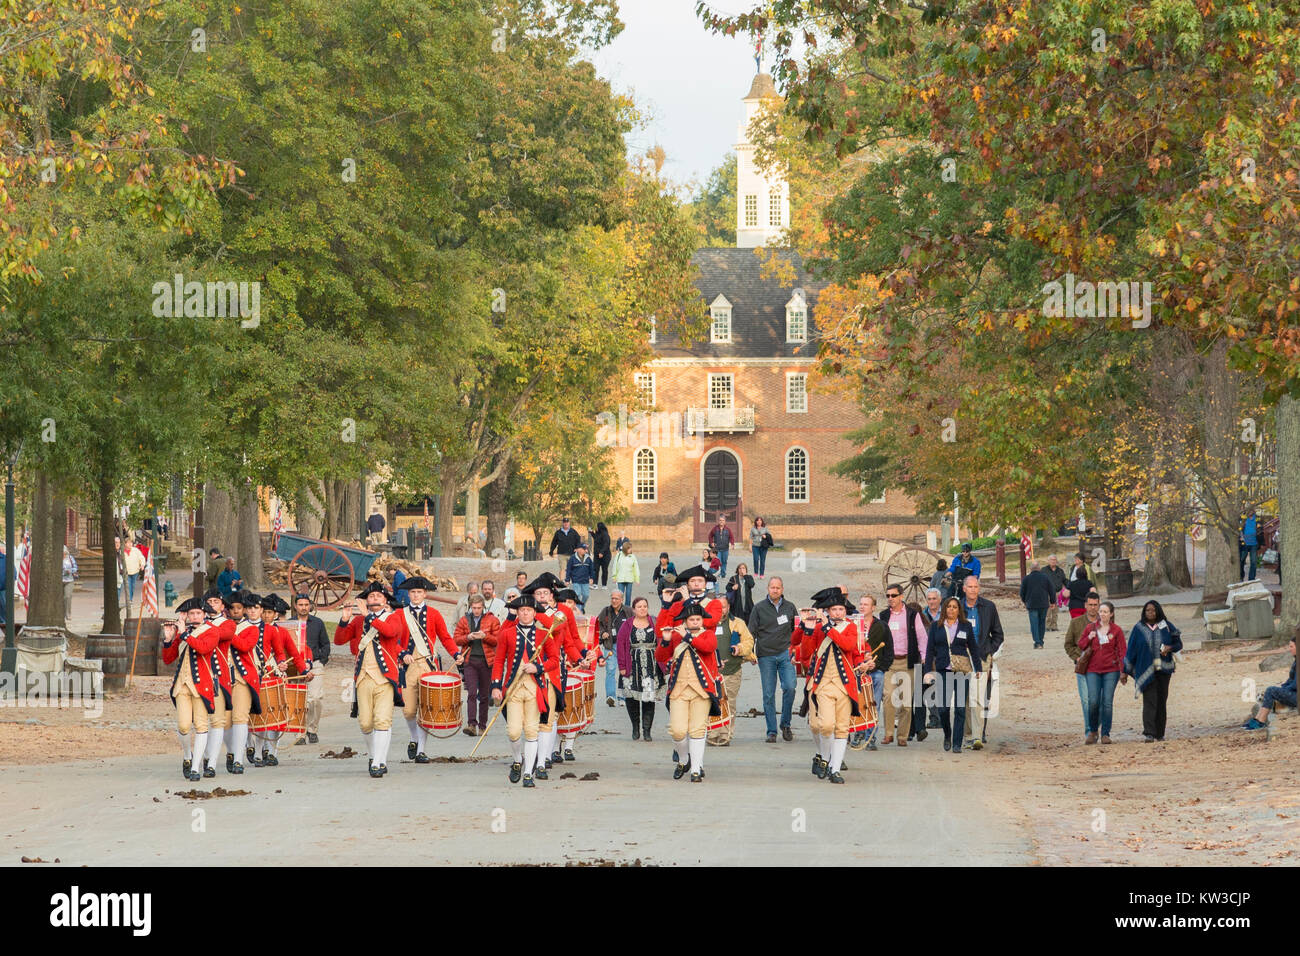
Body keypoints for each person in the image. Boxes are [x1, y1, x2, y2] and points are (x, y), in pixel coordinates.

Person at [491, 593, 563, 787]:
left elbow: (555, 660)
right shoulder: (506, 633)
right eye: (521, 610)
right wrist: (496, 685)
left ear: (534, 613)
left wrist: (538, 668)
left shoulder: (543, 634)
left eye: (528, 611)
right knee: (514, 732)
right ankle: (517, 760)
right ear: (518, 613)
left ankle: (528, 774)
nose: (525, 614)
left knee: (532, 731)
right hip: (513, 689)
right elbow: (499, 661)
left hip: (535, 689)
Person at [335, 582, 405, 777]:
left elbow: (390, 632)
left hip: (385, 678)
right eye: (371, 597)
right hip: (363, 677)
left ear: (385, 601)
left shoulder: (394, 617)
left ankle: (377, 762)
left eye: (378, 597)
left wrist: (368, 615)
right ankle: (375, 755)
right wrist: (344, 619)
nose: (374, 599)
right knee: (365, 723)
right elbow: (339, 640)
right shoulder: (359, 622)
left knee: (382, 720)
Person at [390, 576, 462, 763]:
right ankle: (414, 737)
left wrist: (456, 654)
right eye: (413, 592)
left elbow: (445, 637)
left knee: (425, 710)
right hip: (407, 667)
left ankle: (421, 750)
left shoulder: (434, 614)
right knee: (408, 711)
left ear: (425, 594)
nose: (416, 595)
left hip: (428, 666)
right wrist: (402, 653)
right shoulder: (399, 615)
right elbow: (393, 641)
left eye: (419, 592)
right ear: (408, 594)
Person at [804, 587, 869, 783]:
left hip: (845, 684)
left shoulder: (850, 627)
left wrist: (827, 628)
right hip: (823, 683)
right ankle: (825, 759)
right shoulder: (819, 627)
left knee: (841, 728)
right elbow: (806, 653)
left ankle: (835, 769)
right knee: (825, 726)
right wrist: (808, 629)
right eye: (834, 610)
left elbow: (848, 646)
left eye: (841, 609)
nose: (838, 613)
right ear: (828, 611)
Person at [657, 601, 723, 782]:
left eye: (697, 619)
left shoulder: (708, 634)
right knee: (677, 730)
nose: (695, 622)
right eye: (691, 619)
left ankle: (695, 769)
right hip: (679, 689)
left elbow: (707, 647)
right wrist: (666, 640)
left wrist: (687, 637)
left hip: (701, 690)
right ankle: (684, 760)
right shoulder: (677, 636)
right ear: (685, 621)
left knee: (697, 729)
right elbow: (661, 657)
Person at [161, 596, 220, 781]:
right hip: (182, 685)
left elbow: (203, 648)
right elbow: (168, 659)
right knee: (184, 725)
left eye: (198, 613)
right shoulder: (182, 632)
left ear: (204, 615)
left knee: (202, 725)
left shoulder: (211, 631)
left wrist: (184, 634)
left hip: (202, 686)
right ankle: (188, 756)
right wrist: (169, 639)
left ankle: (196, 768)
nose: (194, 616)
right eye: (191, 613)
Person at [924, 596, 982, 753]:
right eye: (948, 606)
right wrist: (928, 670)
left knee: (960, 708)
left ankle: (957, 742)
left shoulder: (965, 626)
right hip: (943, 670)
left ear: (959, 610)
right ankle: (947, 734)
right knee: (943, 708)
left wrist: (978, 668)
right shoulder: (936, 626)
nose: (951, 609)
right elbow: (929, 650)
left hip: (962, 671)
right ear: (944, 609)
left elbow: (974, 648)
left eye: (955, 607)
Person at [747, 576, 799, 743]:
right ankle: (771, 731)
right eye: (772, 587)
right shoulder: (759, 608)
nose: (775, 590)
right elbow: (751, 633)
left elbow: (797, 631)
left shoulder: (790, 607)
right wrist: (750, 653)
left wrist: (797, 651)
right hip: (766, 655)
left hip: (785, 654)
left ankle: (786, 724)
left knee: (790, 687)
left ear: (782, 589)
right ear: (768, 589)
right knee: (768, 694)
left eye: (778, 587)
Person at [1123, 600, 1182, 742]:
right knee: (1150, 701)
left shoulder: (1166, 626)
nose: (1150, 613)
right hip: (1146, 669)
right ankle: (1149, 732)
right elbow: (1131, 649)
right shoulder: (1138, 628)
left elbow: (1178, 643)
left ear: (1158, 611)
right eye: (1148, 610)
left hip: (1164, 669)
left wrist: (1170, 648)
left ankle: (1160, 733)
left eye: (1153, 610)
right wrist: (1125, 670)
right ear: (1144, 612)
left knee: (1162, 701)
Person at [879, 584, 929, 745]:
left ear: (901, 596)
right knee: (888, 698)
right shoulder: (884, 615)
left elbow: (922, 636)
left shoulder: (912, 614)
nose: (890, 599)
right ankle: (888, 733)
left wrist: (924, 657)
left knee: (906, 703)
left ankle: (902, 736)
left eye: (893, 596)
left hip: (907, 662)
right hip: (889, 662)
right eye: (888, 596)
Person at [960, 574, 1004, 749]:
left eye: (976, 587)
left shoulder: (988, 607)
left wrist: (989, 651)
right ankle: (967, 734)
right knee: (964, 699)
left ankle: (977, 736)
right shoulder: (956, 608)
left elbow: (998, 634)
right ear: (964, 589)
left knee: (978, 698)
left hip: (981, 657)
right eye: (970, 587)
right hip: (961, 658)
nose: (973, 590)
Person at [1077, 601, 1127, 745]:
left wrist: (1123, 670)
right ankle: (1093, 731)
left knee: (1107, 702)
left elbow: (1123, 651)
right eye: (1101, 611)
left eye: (1105, 612)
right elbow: (1081, 644)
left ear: (1111, 614)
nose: (1102, 614)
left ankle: (1105, 733)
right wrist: (1089, 637)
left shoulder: (1116, 630)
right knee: (1093, 701)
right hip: (1092, 669)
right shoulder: (1090, 628)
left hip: (1111, 670)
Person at [617, 597, 665, 740]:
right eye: (639, 606)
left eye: (645, 606)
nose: (643, 609)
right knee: (632, 699)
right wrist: (622, 666)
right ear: (633, 609)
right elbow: (620, 646)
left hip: (651, 666)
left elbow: (662, 641)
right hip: (632, 665)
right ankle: (635, 728)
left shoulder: (654, 622)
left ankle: (647, 730)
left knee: (649, 699)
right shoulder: (627, 625)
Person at [708, 605, 756, 747]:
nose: (721, 609)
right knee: (712, 702)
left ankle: (725, 735)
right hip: (710, 672)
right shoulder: (706, 623)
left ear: (728, 607)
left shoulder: (738, 623)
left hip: (732, 670)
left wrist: (739, 648)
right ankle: (712, 734)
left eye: (723, 606)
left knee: (729, 703)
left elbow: (749, 641)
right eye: (718, 607)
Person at [453, 592, 500, 736]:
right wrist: (468, 637)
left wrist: (485, 636)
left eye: (479, 608)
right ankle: (471, 724)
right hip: (470, 660)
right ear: (470, 607)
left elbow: (498, 640)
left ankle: (482, 725)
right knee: (471, 693)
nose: (476, 610)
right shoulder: (464, 620)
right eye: (474, 608)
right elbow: (456, 639)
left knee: (484, 695)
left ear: (483, 607)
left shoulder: (492, 619)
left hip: (487, 661)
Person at [289, 594, 328, 744]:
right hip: (294, 665)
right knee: (296, 699)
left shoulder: (317, 623)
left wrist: (322, 660)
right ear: (295, 606)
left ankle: (312, 729)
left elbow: (325, 644)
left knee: (315, 698)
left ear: (310, 606)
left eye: (306, 604)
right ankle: (299, 733)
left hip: (315, 664)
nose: (304, 607)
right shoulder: (289, 624)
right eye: (301, 604)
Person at [854, 595, 892, 749]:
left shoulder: (881, 626)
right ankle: (858, 733)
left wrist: (879, 666)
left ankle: (871, 738)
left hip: (875, 672)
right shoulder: (852, 625)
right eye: (861, 604)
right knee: (857, 704)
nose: (862, 607)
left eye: (866, 604)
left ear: (873, 607)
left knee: (873, 705)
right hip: (857, 672)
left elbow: (889, 650)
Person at [1064, 590, 1101, 734]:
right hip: (1083, 667)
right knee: (1086, 700)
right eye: (1090, 604)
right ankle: (1090, 730)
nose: (1093, 607)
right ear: (1085, 605)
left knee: (1100, 701)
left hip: (1101, 667)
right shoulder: (1076, 623)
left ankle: (1096, 725)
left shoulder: (1105, 623)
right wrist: (1077, 657)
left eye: (1095, 605)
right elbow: (1068, 644)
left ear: (1099, 605)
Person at [1243, 636, 1297, 730]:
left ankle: (1261, 721)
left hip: (1297, 697)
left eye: (1291, 646)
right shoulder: (1296, 661)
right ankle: (1257, 720)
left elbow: (1296, 684)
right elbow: (1291, 680)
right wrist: (1283, 687)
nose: (1289, 649)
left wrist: (1284, 690)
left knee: (1270, 690)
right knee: (1271, 691)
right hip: (1293, 693)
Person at [915, 588, 944, 733]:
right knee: (930, 686)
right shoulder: (922, 615)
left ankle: (939, 716)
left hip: (942, 652)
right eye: (929, 599)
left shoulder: (945, 614)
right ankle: (935, 717)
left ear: (940, 599)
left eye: (934, 599)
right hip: (928, 655)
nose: (932, 601)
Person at [595, 589, 631, 707]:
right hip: (610, 645)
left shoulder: (628, 611)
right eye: (612, 598)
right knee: (610, 670)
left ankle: (622, 697)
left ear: (622, 599)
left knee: (624, 671)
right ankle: (611, 696)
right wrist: (603, 633)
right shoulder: (605, 611)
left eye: (616, 598)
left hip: (625, 647)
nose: (614, 600)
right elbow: (598, 625)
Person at [1019, 560, 1054, 649]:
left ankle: (1037, 642)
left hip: (1031, 603)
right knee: (1042, 623)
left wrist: (1024, 601)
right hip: (1043, 603)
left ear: (1030, 569)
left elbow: (1022, 592)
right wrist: (1053, 601)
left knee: (1034, 623)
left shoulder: (1026, 579)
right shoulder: (1045, 577)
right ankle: (1041, 641)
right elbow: (1051, 590)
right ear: (1039, 568)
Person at [565, 542, 594, 610]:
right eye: (584, 549)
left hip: (585, 581)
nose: (586, 551)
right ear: (579, 549)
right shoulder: (572, 558)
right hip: (576, 581)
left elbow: (591, 569)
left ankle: (581, 606)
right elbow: (568, 569)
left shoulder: (588, 558)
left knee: (586, 595)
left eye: (586, 549)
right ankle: (579, 610)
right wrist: (567, 580)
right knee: (577, 594)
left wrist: (591, 578)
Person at [1043, 555, 1068, 632]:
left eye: (1054, 560)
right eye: (1051, 560)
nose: (1053, 561)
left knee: (1055, 611)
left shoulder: (1060, 571)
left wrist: (1070, 586)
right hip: (1047, 593)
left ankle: (1054, 626)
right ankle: (1047, 626)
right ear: (1048, 561)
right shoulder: (1044, 570)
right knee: (1048, 611)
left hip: (1057, 593)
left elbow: (1064, 580)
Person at [611, 540, 640, 605]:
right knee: (620, 596)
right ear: (625, 549)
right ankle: (619, 608)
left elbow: (636, 568)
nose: (631, 550)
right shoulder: (618, 555)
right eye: (629, 548)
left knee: (628, 596)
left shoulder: (633, 557)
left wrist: (637, 578)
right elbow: (615, 566)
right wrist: (614, 576)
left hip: (629, 579)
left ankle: (627, 610)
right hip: (620, 579)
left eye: (631, 548)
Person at [592, 522, 611, 589]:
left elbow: (606, 544)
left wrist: (602, 552)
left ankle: (604, 585)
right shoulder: (598, 534)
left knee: (604, 570)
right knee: (595, 569)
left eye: (597, 527)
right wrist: (592, 533)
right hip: (597, 555)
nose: (596, 528)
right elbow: (597, 539)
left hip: (605, 555)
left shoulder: (605, 534)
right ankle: (595, 584)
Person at [1241, 509, 1259, 581]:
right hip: (1244, 543)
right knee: (1241, 560)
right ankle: (1241, 576)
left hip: (1254, 543)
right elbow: (1240, 529)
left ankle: (1251, 578)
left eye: (1252, 510)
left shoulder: (1257, 519)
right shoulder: (1243, 519)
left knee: (1254, 562)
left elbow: (1260, 529)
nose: (1250, 512)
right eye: (1249, 510)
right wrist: (1241, 537)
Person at [61, 546, 78, 622]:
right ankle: (61, 614)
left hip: (69, 580)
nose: (63, 555)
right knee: (60, 598)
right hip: (59, 580)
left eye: (64, 553)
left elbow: (75, 567)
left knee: (67, 597)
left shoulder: (70, 558)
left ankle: (68, 614)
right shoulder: (57, 558)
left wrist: (70, 570)